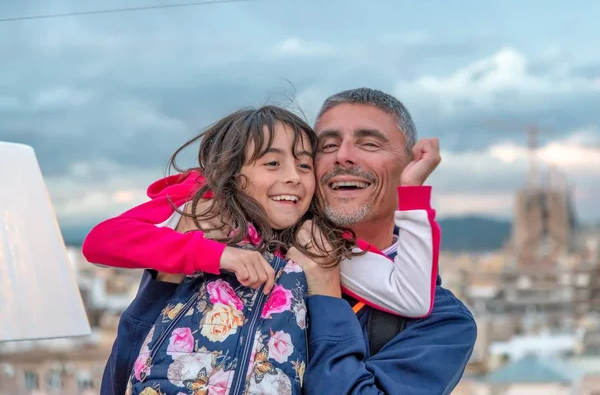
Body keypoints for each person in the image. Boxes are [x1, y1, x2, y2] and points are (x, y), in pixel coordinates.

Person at [83, 104, 440, 394]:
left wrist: (410, 192)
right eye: (272, 163)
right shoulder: (201, 212)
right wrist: (215, 254)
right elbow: (101, 241)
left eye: (304, 165)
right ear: (233, 173)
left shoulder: (315, 245)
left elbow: (410, 296)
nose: (292, 176)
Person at [287, 88, 477, 394]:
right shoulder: (250, 260)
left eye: (370, 143)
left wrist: (324, 292)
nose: (343, 155)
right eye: (328, 144)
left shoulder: (443, 323)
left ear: (411, 162)